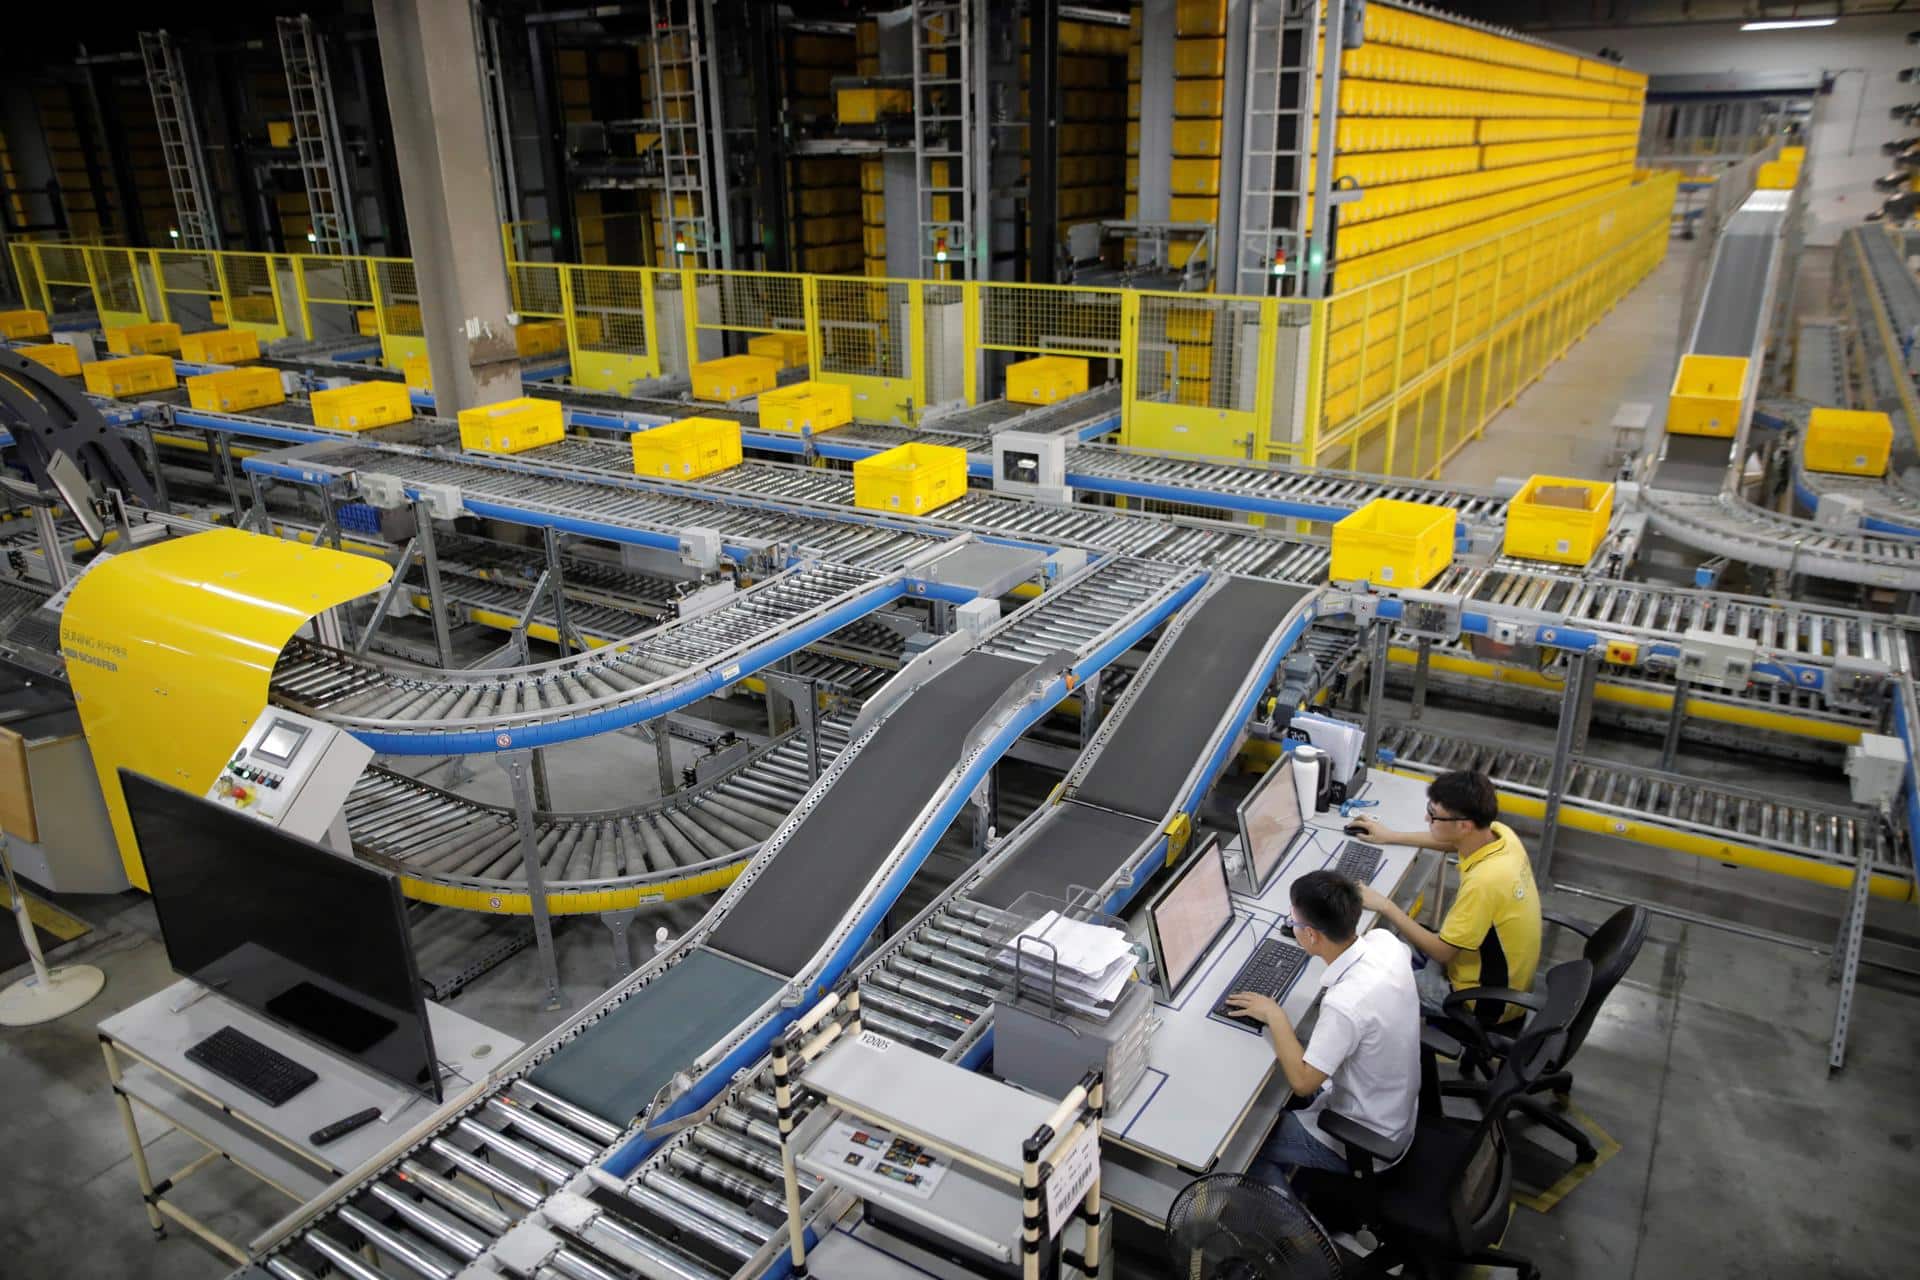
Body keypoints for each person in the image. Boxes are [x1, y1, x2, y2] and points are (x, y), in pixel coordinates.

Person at [1227, 870, 1421, 1181]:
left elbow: (1303, 1082)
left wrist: (1276, 1016)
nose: (1292, 926)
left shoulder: (1345, 1004)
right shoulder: (1385, 942)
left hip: (1367, 1137)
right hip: (1395, 1109)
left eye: (1295, 921)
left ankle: (1297, 1230)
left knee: (1244, 1153)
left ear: (1312, 935)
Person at [1347, 769, 1542, 1022]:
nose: (1426, 819)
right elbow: (1453, 842)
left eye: (1434, 816)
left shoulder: (1485, 882)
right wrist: (1391, 836)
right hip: (1495, 974)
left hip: (1480, 999)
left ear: (1464, 825)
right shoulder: (1500, 835)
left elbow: (1441, 952)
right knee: (1383, 943)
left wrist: (1385, 905)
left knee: (1360, 980)